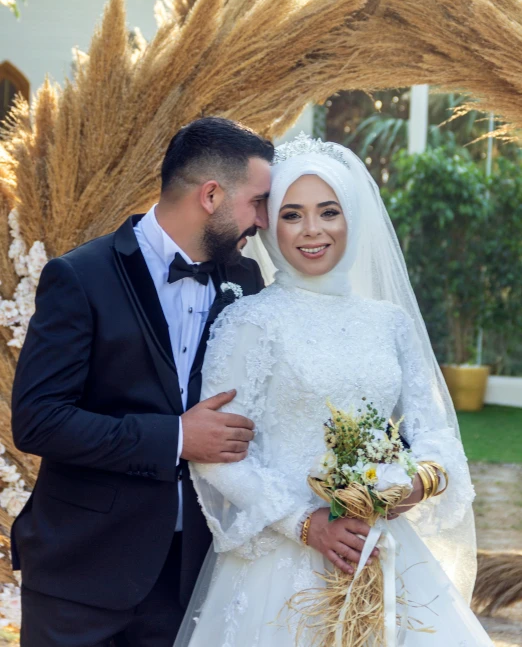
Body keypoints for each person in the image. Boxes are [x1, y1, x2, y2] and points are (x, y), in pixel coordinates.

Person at [175, 134, 493, 646]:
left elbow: (435, 430)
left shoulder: (389, 323)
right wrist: (304, 523)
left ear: (353, 218)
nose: (312, 231)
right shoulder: (249, 323)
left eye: (328, 211)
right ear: (271, 224)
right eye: (292, 215)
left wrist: (417, 482)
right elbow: (218, 456)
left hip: (381, 548)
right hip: (279, 568)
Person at [10, 117, 274, 647]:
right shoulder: (80, 277)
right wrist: (175, 438)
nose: (264, 221)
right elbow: (38, 420)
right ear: (211, 195)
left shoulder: (244, 280)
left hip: (188, 578)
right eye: (258, 202)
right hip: (80, 572)